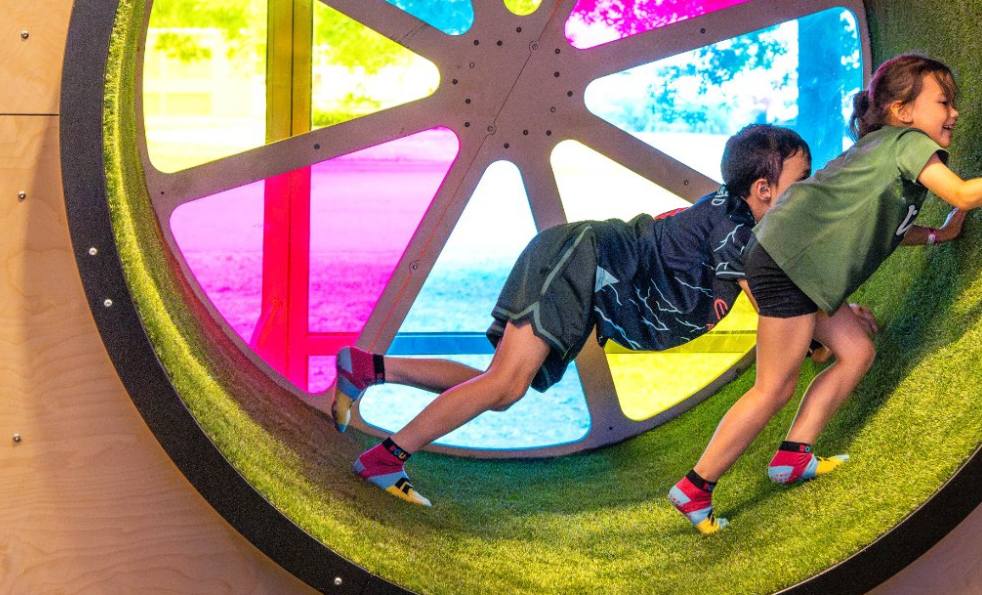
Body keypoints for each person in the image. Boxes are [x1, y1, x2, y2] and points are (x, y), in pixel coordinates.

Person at [669, 52, 982, 534]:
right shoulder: (909, 143)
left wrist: (939, 234)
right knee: (775, 387)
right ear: (903, 111)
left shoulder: (886, 150)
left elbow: (883, 225)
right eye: (944, 101)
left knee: (854, 350)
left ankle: (793, 456)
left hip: (790, 259)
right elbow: (963, 193)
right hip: (789, 262)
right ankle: (695, 487)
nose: (953, 112)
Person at [333, 123, 812, 506]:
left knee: (501, 387)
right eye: (802, 182)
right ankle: (386, 457)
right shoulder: (736, 229)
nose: (808, 193)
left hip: (579, 264)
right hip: (580, 261)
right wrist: (821, 327)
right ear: (764, 188)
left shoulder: (734, 213)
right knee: (504, 384)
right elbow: (773, 302)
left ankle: (368, 369)